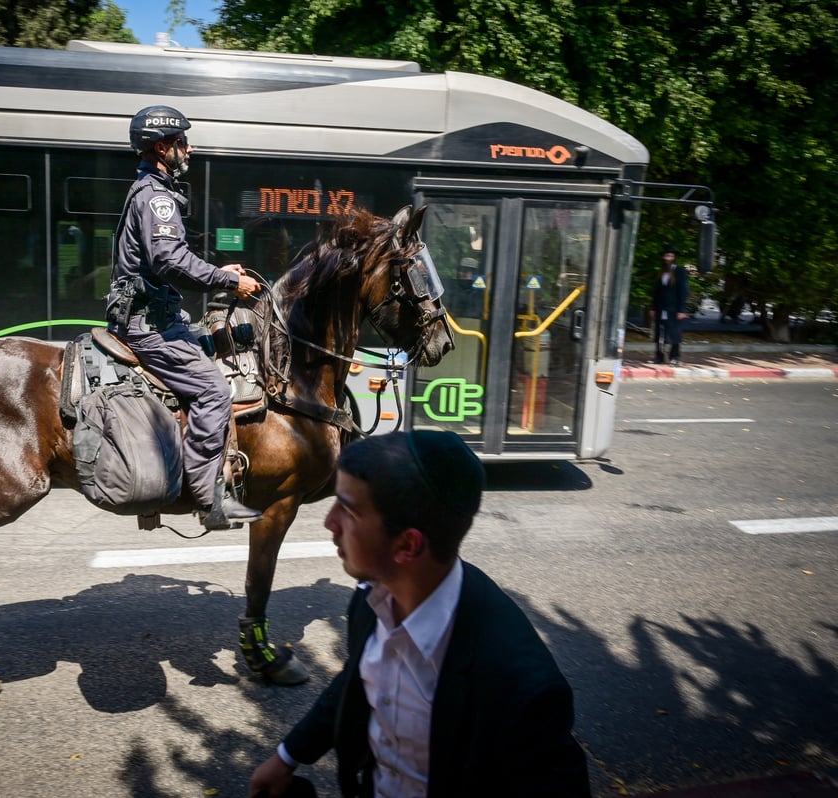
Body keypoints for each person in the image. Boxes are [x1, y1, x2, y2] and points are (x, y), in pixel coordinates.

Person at [248, 430, 590, 797]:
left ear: (407, 545)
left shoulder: (519, 685)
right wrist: (287, 756)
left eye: (347, 510)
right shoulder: (370, 599)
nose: (329, 523)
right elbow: (361, 678)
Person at [110, 105, 263, 531]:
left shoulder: (149, 189)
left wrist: (220, 274)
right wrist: (228, 283)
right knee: (215, 391)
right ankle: (207, 497)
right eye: (181, 141)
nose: (188, 148)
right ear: (162, 147)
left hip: (153, 319)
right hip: (150, 327)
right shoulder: (157, 197)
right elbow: (169, 260)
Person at [648, 245, 689, 365]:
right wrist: (653, 307)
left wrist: (681, 310)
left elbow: (683, 291)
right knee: (659, 334)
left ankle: (674, 357)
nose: (668, 258)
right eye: (666, 255)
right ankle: (659, 357)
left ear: (674, 257)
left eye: (670, 256)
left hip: (674, 309)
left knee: (674, 333)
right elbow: (656, 292)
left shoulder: (680, 272)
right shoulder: (660, 272)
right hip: (661, 308)